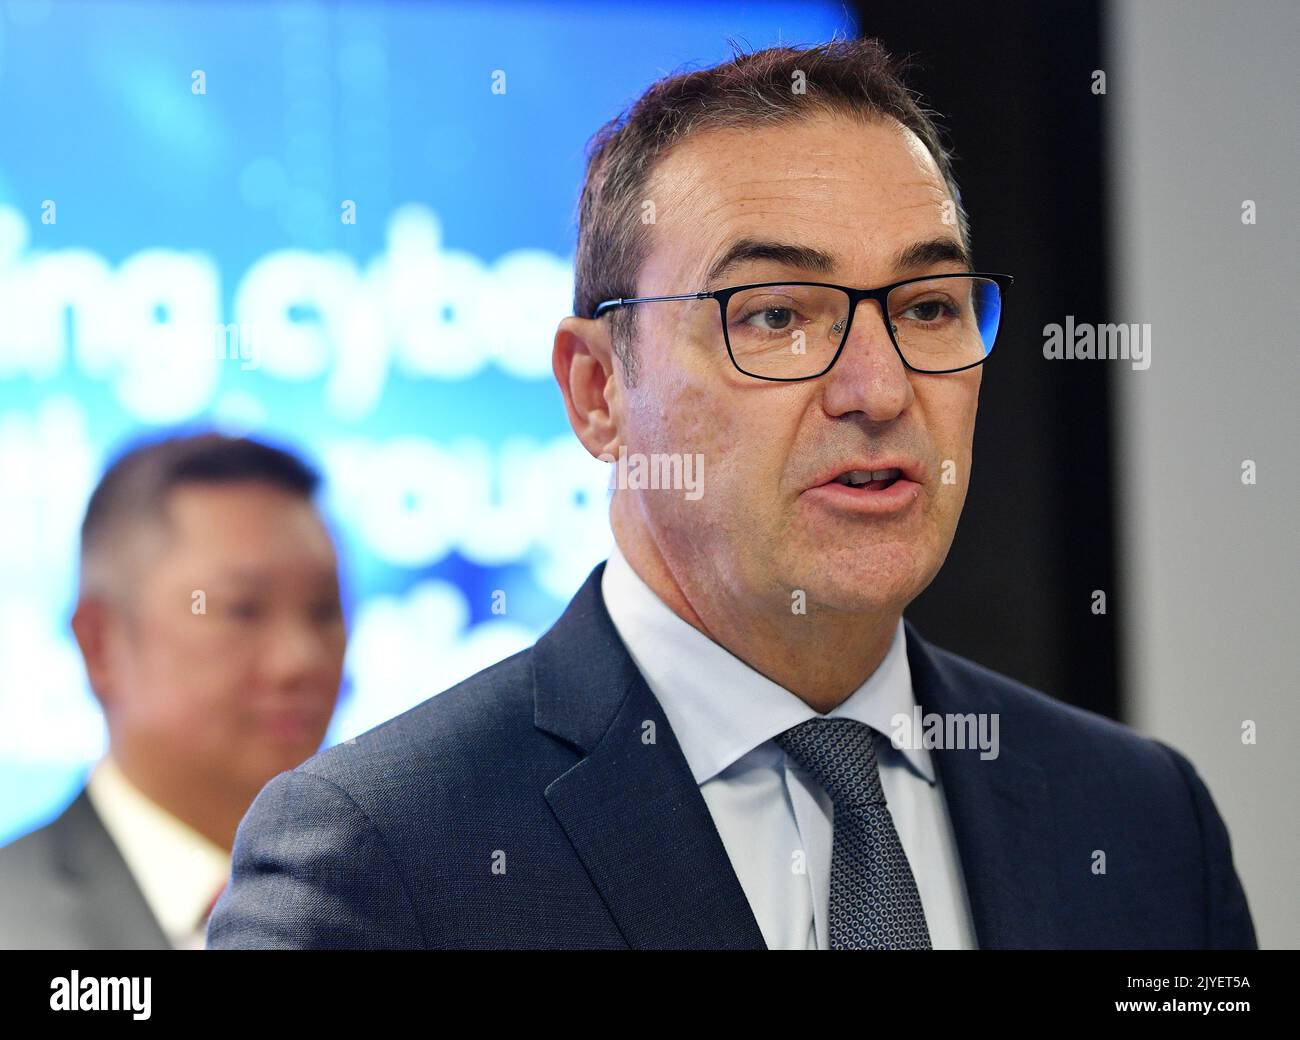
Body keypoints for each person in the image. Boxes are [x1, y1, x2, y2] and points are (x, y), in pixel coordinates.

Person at [207, 39, 1256, 950]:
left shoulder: (1140, 820)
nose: (878, 387)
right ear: (598, 390)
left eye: (928, 306)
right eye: (774, 316)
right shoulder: (385, 855)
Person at [0, 432, 347, 949]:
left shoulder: (403, 911)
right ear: (100, 645)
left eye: (324, 610)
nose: (300, 659)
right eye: (242, 609)